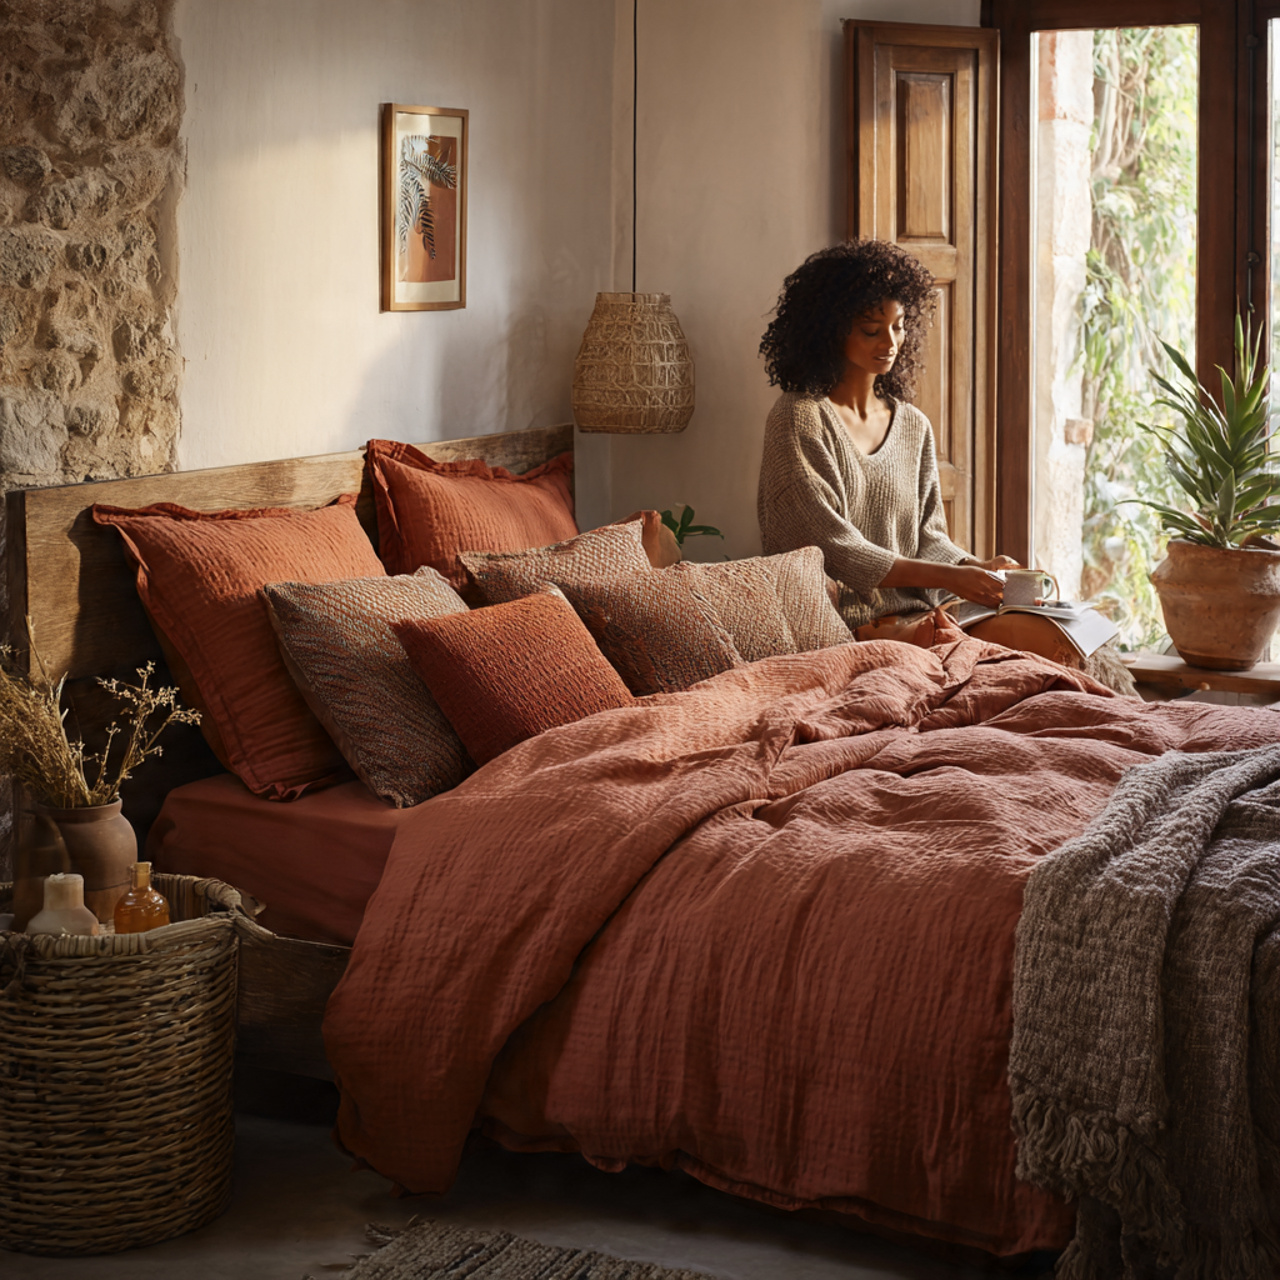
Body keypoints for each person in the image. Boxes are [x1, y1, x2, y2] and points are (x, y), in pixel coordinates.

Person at [757, 239, 1017, 633]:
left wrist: (972, 567)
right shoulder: (799, 417)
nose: (891, 343)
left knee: (1047, 631)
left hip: (923, 617)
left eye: (898, 327)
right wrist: (949, 578)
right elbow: (830, 548)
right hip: (841, 627)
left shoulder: (913, 425)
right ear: (829, 332)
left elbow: (928, 538)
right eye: (871, 330)